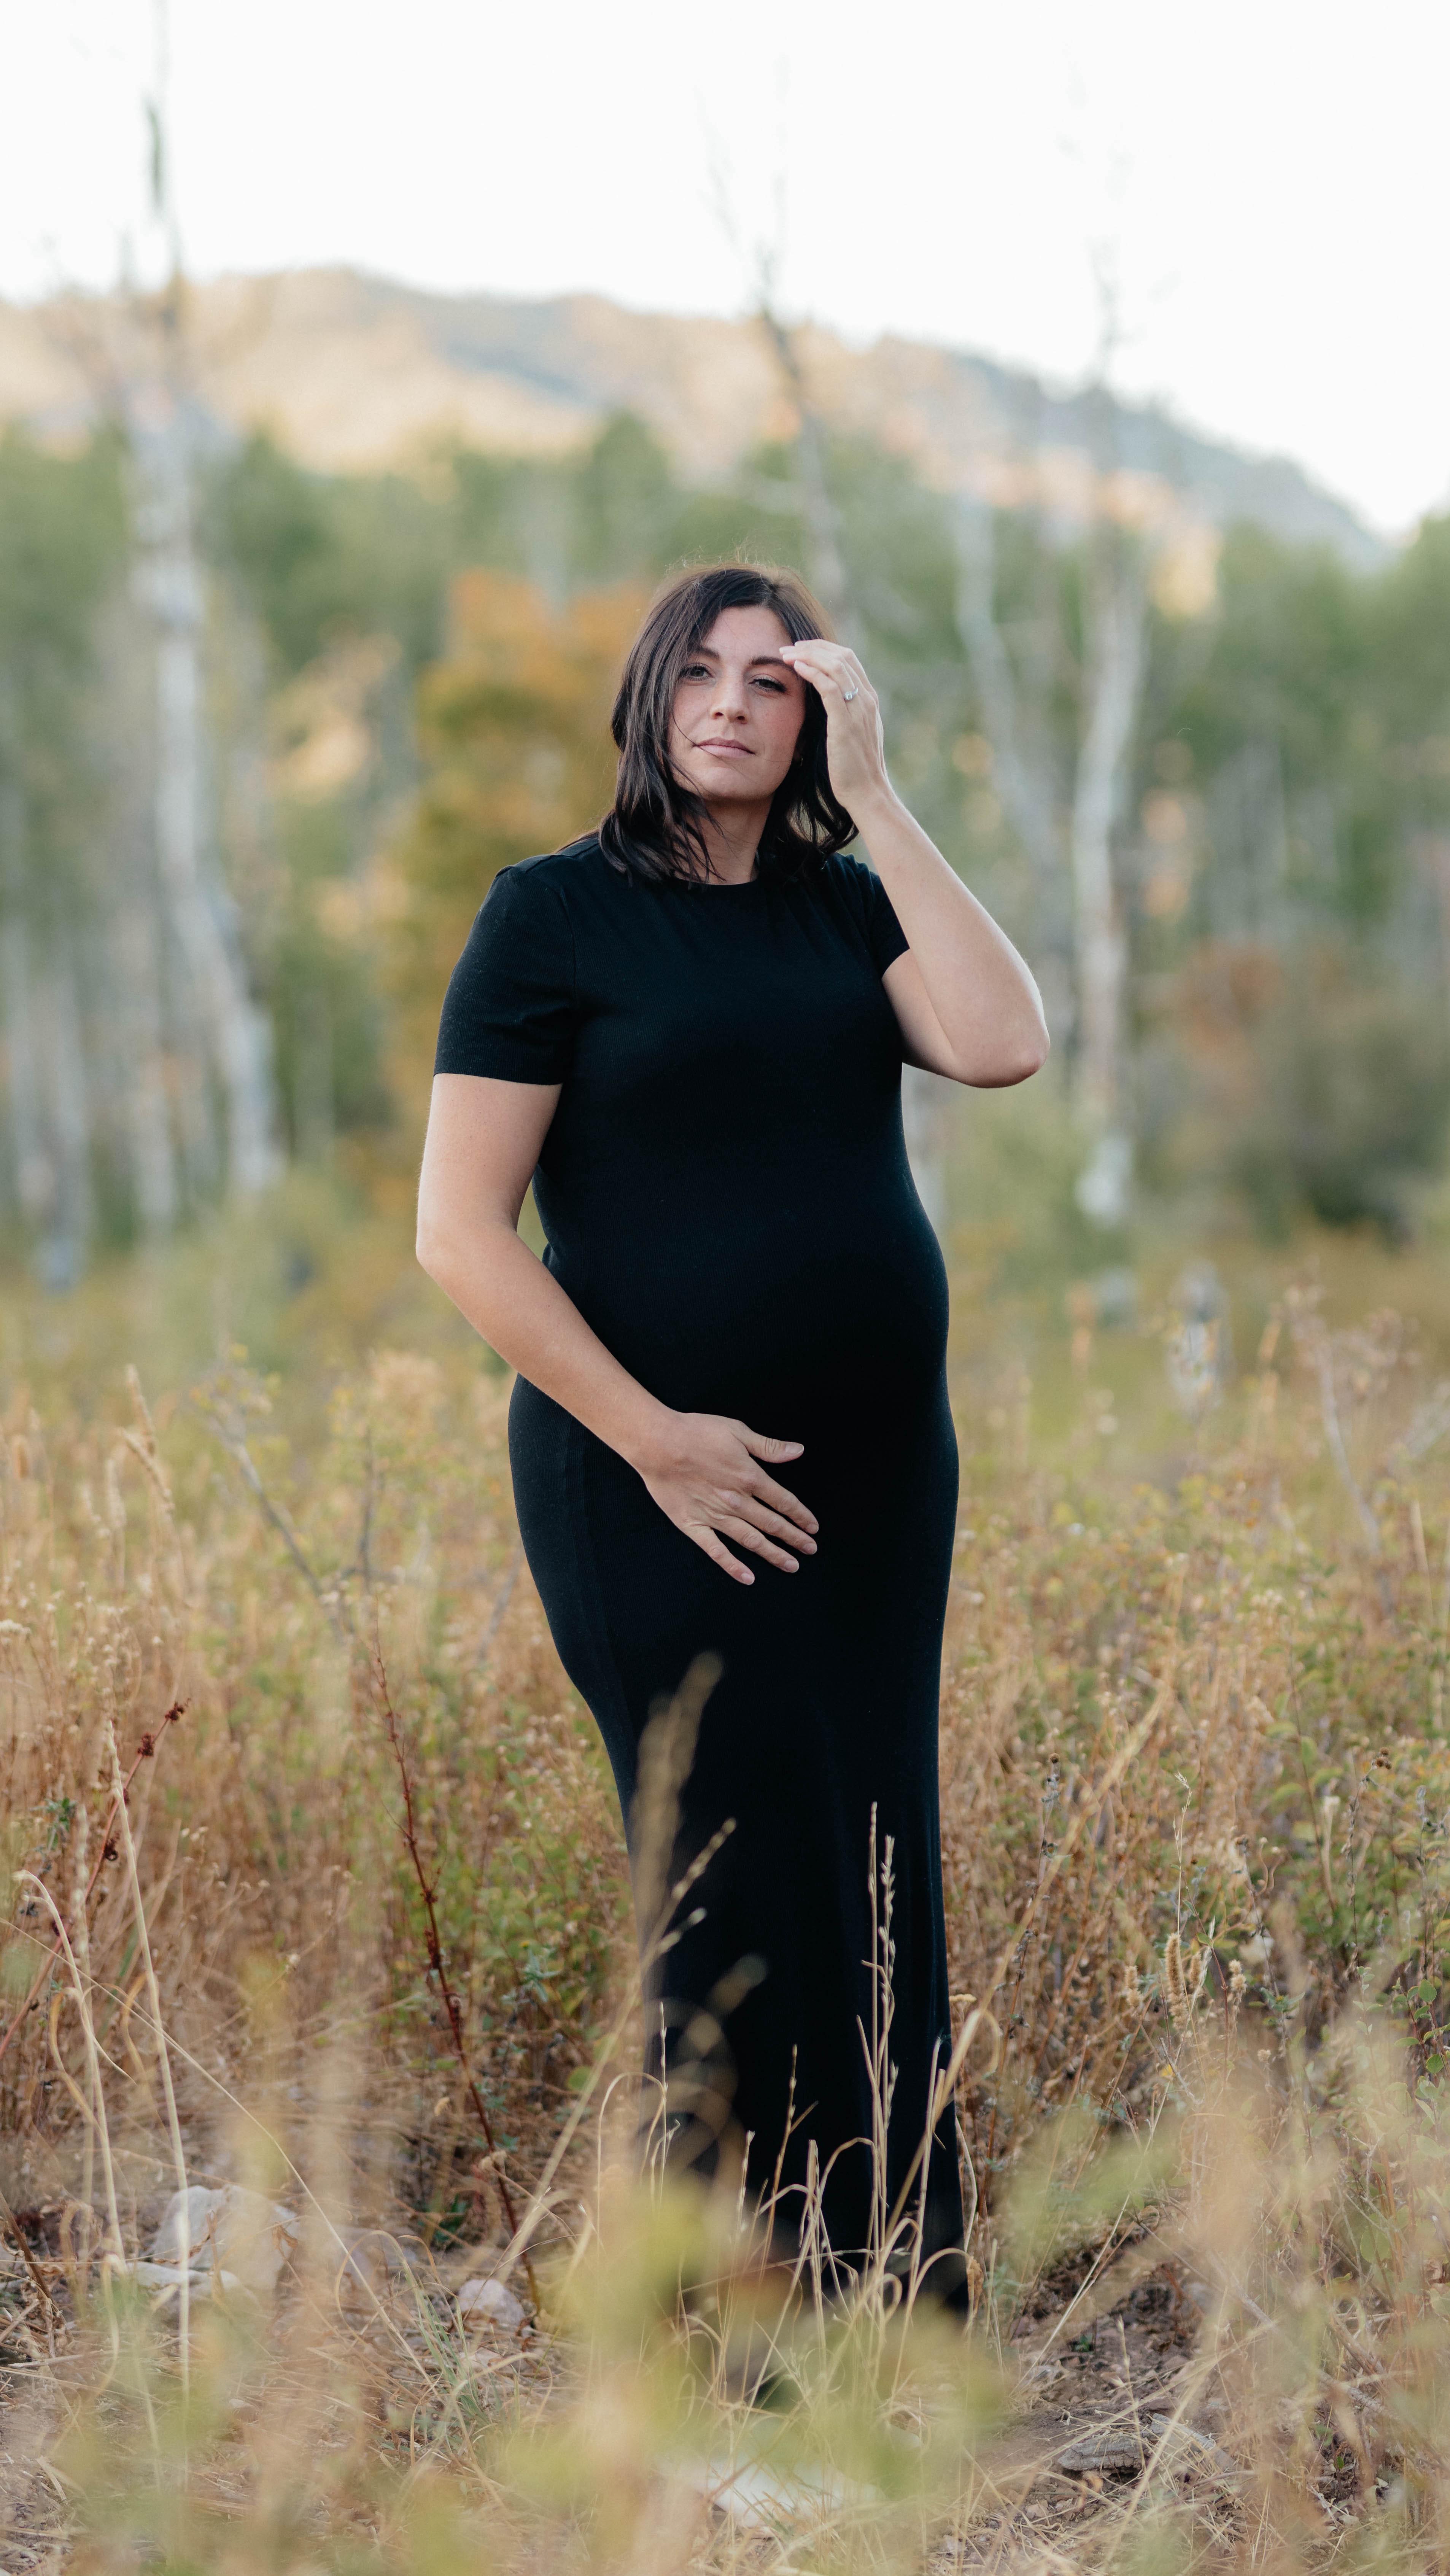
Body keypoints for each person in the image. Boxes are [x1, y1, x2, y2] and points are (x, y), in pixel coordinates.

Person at [416, 563, 1048, 2308]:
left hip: (870, 1475)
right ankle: (720, 2328)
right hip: (646, 1480)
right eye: (697, 673)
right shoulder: (551, 915)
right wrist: (654, 1438)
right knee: (721, 1877)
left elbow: (1000, 1043)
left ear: (814, 716)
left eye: (773, 681)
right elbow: (460, 1233)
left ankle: (892, 2306)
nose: (729, 702)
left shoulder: (849, 906)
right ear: (646, 696)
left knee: (871, 1849)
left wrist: (886, 787)